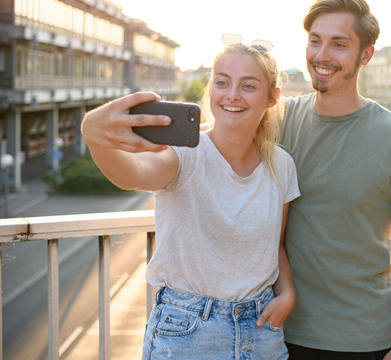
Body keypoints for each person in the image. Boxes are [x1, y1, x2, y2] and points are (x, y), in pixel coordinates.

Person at [81, 39, 300, 360]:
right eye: (222, 82)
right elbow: (134, 174)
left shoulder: (281, 165)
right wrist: (94, 134)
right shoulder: (184, 153)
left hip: (262, 328)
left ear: (272, 97)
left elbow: (274, 245)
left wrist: (288, 293)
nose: (232, 94)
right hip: (187, 332)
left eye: (248, 86)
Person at [279, 0, 391, 360]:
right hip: (277, 333)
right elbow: (217, 138)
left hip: (365, 341)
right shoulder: (280, 120)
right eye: (315, 40)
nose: (322, 55)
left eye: (339, 45)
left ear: (365, 55)